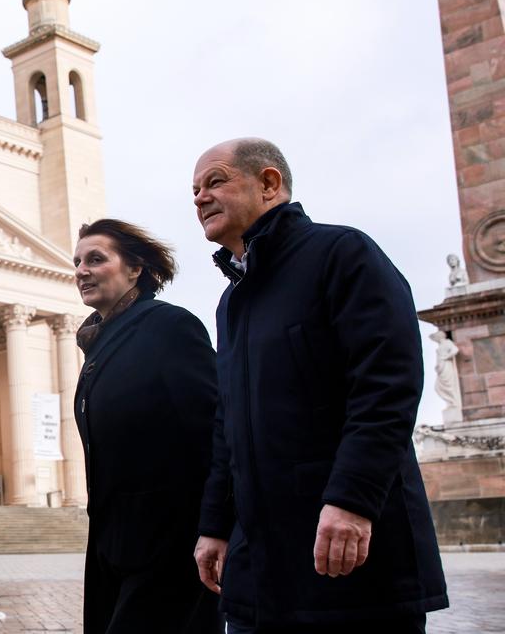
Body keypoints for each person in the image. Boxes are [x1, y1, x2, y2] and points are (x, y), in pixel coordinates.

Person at [190, 138, 448, 632]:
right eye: (195, 189)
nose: (200, 197)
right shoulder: (230, 302)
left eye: (216, 181)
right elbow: (229, 423)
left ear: (269, 184)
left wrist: (352, 499)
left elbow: (387, 385)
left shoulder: (343, 254)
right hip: (257, 570)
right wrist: (214, 527)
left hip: (345, 552)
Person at [72, 219, 222, 634]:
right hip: (111, 543)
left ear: (135, 269)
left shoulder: (167, 327)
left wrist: (215, 526)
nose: (81, 270)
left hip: (169, 542)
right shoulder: (98, 345)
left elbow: (213, 430)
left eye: (96, 259)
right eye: (78, 261)